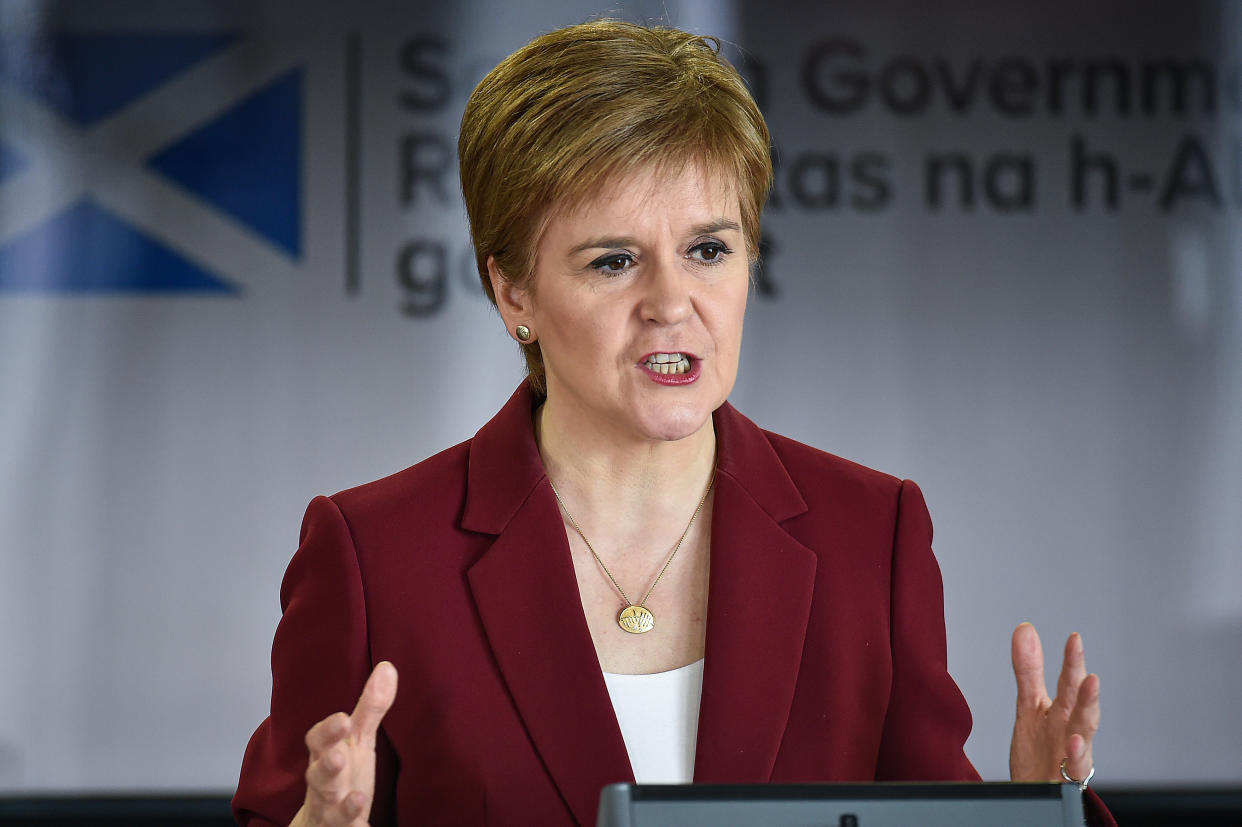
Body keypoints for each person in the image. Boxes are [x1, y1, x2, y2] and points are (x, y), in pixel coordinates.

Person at [233, 20, 1109, 827]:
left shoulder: (870, 535)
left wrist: (1039, 813)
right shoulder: (374, 555)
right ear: (513, 292)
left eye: (708, 249)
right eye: (614, 260)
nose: (671, 304)